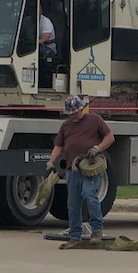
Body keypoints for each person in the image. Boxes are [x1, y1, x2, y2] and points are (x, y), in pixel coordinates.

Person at [47, 94, 114, 243]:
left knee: (89, 194)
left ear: (82, 109)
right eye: (71, 114)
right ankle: (75, 234)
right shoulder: (66, 126)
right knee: (73, 202)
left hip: (91, 165)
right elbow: (59, 146)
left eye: (76, 112)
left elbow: (110, 137)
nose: (74, 116)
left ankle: (97, 231)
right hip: (73, 168)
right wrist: (51, 162)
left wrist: (98, 148)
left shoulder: (95, 120)